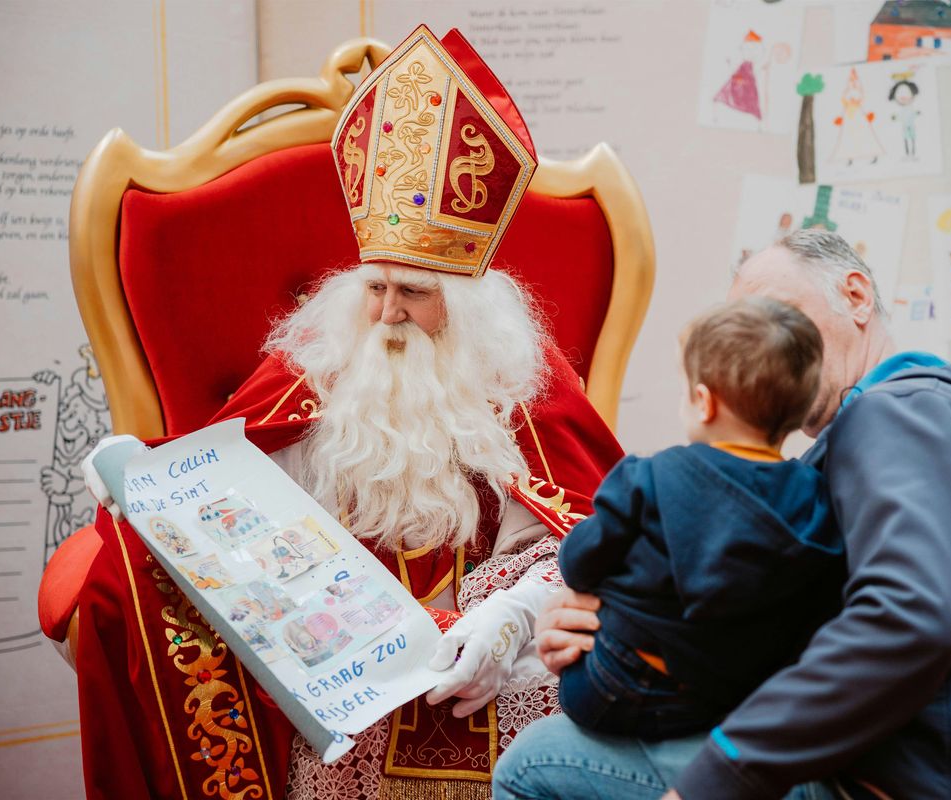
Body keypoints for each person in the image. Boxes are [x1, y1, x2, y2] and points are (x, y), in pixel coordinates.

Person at [55, 25, 623, 800]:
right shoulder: (327, 356)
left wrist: (512, 618)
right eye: (375, 287)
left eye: (415, 293)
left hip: (487, 656)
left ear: (467, 307)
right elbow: (229, 480)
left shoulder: (521, 377)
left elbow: (599, 538)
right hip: (329, 660)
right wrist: (145, 478)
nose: (387, 315)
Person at [495, 229, 951, 800]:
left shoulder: (898, 419)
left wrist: (723, 775)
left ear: (856, 296)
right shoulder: (899, 430)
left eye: (777, 316)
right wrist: (617, 627)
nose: (763, 346)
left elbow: (910, 616)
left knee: (538, 760)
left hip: (911, 784)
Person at [557, 298, 844, 740]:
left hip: (616, 684)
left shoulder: (649, 476)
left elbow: (580, 561)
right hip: (729, 699)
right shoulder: (816, 497)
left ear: (704, 403)